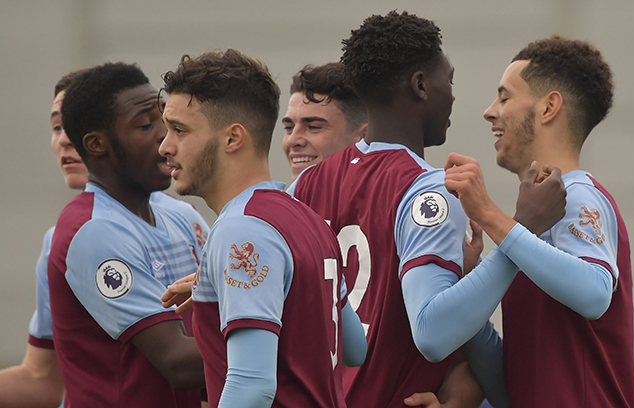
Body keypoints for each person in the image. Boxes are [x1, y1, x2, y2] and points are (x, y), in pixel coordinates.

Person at [288, 11, 566, 408]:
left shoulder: (303, 186)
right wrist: (521, 231)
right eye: (448, 80)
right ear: (420, 85)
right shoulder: (429, 189)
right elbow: (432, 333)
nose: (452, 94)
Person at [159, 49, 366, 408]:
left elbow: (252, 386)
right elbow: (354, 347)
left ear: (232, 138)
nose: (165, 147)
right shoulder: (309, 219)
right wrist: (215, 281)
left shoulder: (243, 230)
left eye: (179, 130)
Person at [443, 35, 634, 407]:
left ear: (549, 107)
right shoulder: (526, 238)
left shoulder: (578, 196)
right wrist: (468, 297)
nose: (489, 111)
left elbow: (595, 292)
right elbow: (513, 390)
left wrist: (489, 214)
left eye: (504, 97)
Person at [48, 62, 208, 407]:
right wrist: (292, 333)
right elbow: (179, 363)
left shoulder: (181, 215)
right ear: (97, 144)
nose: (164, 138)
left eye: (164, 120)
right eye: (147, 125)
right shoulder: (93, 231)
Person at [0, 70, 88, 408]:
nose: (64, 139)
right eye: (56, 127)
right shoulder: (60, 241)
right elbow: (44, 380)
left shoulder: (187, 223)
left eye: (77, 123)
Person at [282, 62, 367, 181]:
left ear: (363, 137)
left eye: (313, 127)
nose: (292, 141)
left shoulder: (394, 197)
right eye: (289, 128)